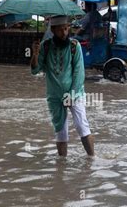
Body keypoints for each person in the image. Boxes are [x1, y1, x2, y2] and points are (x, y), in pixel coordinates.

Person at [31, 15, 95, 157]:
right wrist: (35, 54)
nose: (64, 33)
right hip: (54, 95)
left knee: (82, 126)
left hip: (75, 93)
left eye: (66, 29)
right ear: (53, 30)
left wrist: (71, 95)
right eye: (60, 30)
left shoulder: (74, 46)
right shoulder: (45, 46)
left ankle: (92, 159)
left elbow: (79, 73)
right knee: (61, 131)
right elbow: (35, 70)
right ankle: (62, 166)